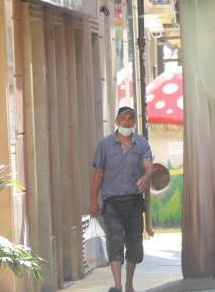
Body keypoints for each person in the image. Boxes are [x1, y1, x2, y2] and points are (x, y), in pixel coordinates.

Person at [89, 106, 156, 292]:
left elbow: (149, 166)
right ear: (117, 122)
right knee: (115, 243)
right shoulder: (105, 145)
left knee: (134, 245)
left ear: (134, 122)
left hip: (134, 202)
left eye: (130, 118)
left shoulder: (141, 144)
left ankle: (128, 283)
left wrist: (146, 176)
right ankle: (118, 285)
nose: (127, 122)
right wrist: (93, 201)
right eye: (123, 118)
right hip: (112, 203)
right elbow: (98, 174)